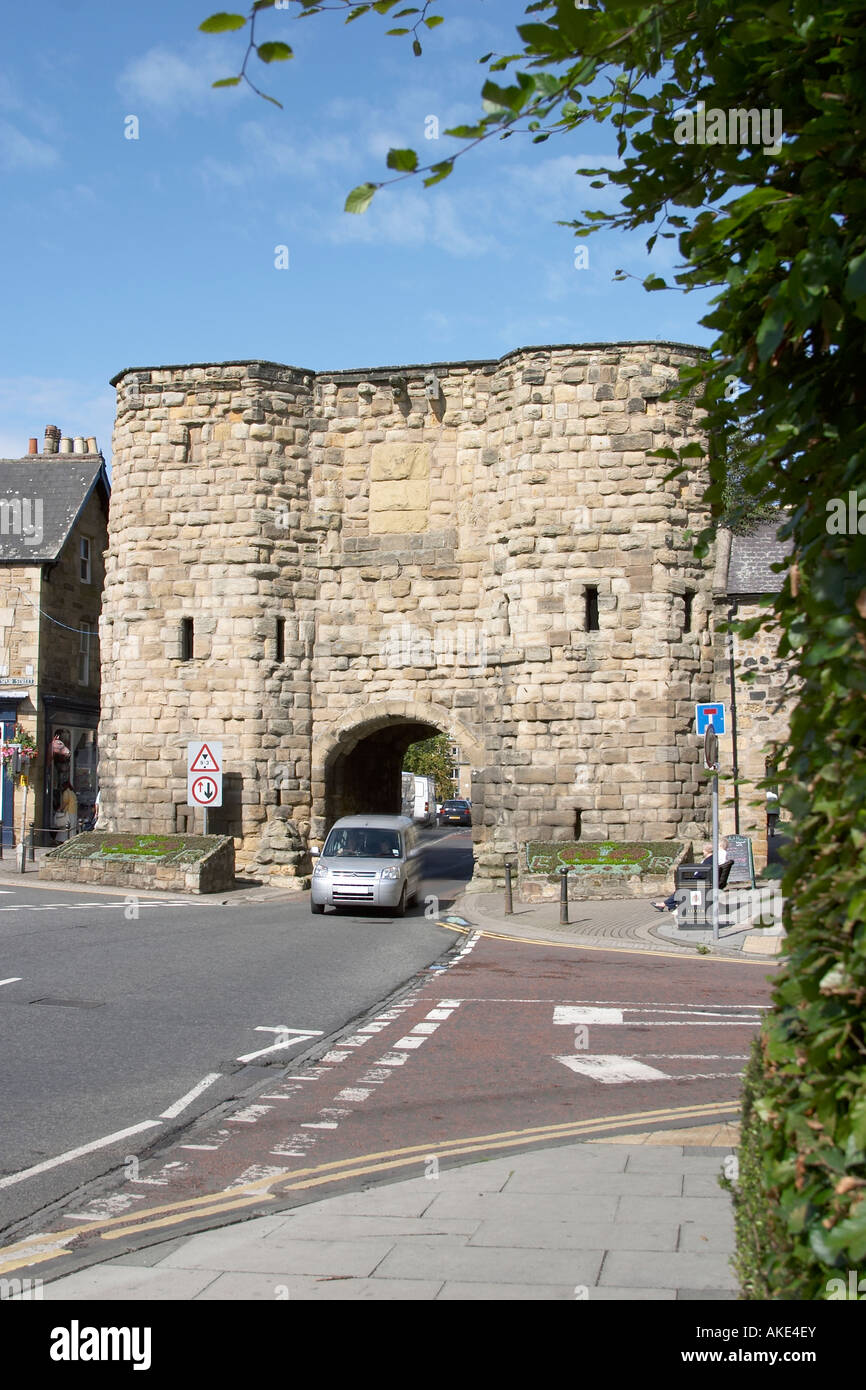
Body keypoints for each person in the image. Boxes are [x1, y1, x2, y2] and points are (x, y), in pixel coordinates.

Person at [653, 840, 729, 914]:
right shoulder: (712, 859)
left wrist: (692, 878)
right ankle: (669, 904)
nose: (703, 852)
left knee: (683, 886)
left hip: (704, 882)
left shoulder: (709, 860)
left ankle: (665, 904)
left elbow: (701, 873)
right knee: (684, 886)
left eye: (703, 850)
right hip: (709, 881)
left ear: (707, 851)